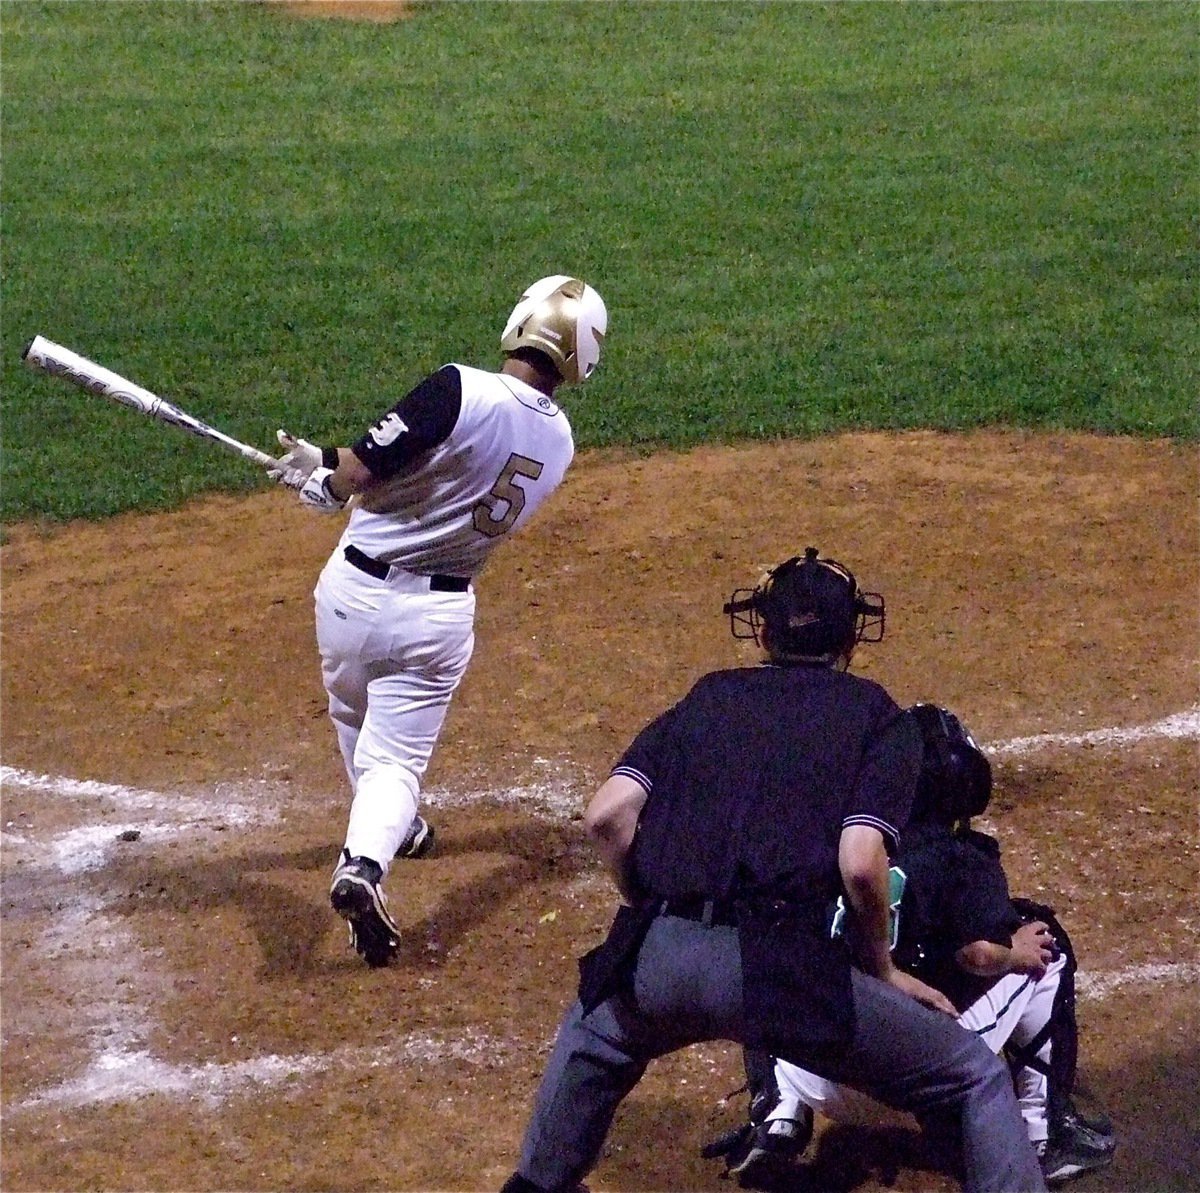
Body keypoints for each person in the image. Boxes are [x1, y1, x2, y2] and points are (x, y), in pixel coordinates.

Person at [500, 548, 1047, 1193]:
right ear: (852, 637)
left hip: (664, 956)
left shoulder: (706, 697)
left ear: (763, 630)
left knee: (597, 1041)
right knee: (972, 1077)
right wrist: (881, 970)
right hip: (781, 967)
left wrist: (647, 904)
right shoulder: (878, 717)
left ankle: (537, 1186)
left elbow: (607, 817)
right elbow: (862, 866)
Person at [267, 276, 607, 967]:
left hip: (350, 597)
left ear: (518, 323)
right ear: (580, 359)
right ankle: (366, 859)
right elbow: (426, 470)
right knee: (395, 758)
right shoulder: (562, 442)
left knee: (350, 712)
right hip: (437, 616)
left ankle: (392, 830)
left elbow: (366, 468)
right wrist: (327, 465)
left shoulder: (458, 386)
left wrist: (327, 480)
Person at [705, 704, 1116, 1188]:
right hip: (911, 1077)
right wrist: (1014, 951)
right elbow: (976, 956)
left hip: (813, 1071)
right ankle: (1044, 1133)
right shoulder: (961, 857)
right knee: (1048, 948)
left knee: (774, 947)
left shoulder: (825, 850)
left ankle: (777, 1116)